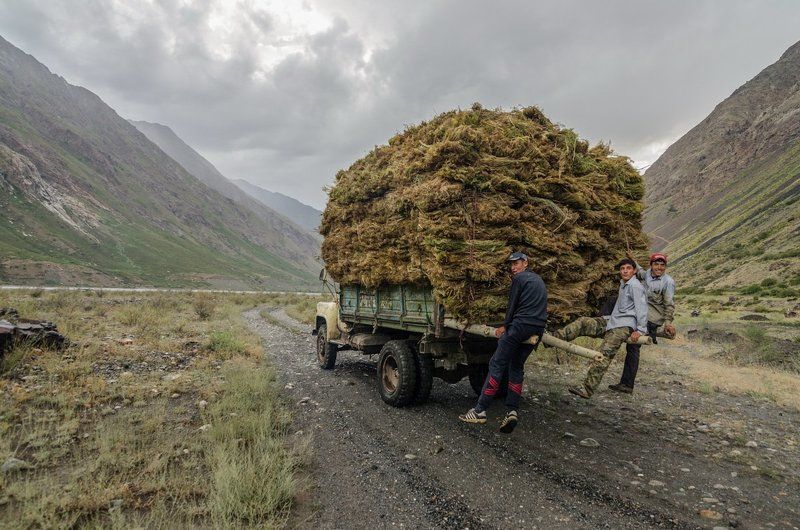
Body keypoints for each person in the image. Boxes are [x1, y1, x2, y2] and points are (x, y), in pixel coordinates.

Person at [459, 252, 547, 433]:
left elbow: (512, 305)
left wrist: (505, 326)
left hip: (520, 326)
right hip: (537, 328)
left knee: (496, 364)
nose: (513, 268)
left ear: (525, 263)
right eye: (512, 264)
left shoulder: (519, 279)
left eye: (517, 263)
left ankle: (480, 410)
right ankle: (512, 410)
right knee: (516, 367)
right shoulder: (538, 280)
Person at [552, 257, 648, 399]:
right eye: (622, 269)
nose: (625, 271)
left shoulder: (635, 286)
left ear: (634, 271)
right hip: (612, 322)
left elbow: (642, 309)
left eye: (628, 268)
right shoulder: (623, 284)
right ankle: (553, 338)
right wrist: (604, 319)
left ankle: (587, 388)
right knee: (584, 322)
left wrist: (640, 330)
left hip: (623, 327)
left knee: (605, 352)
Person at [608, 252, 676, 393]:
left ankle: (627, 385)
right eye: (656, 264)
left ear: (665, 267)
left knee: (633, 346)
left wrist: (668, 323)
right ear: (651, 265)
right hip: (639, 312)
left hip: (652, 318)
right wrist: (632, 257)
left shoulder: (668, 282)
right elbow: (638, 270)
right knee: (613, 300)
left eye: (662, 265)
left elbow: (669, 304)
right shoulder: (647, 275)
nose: (659, 267)